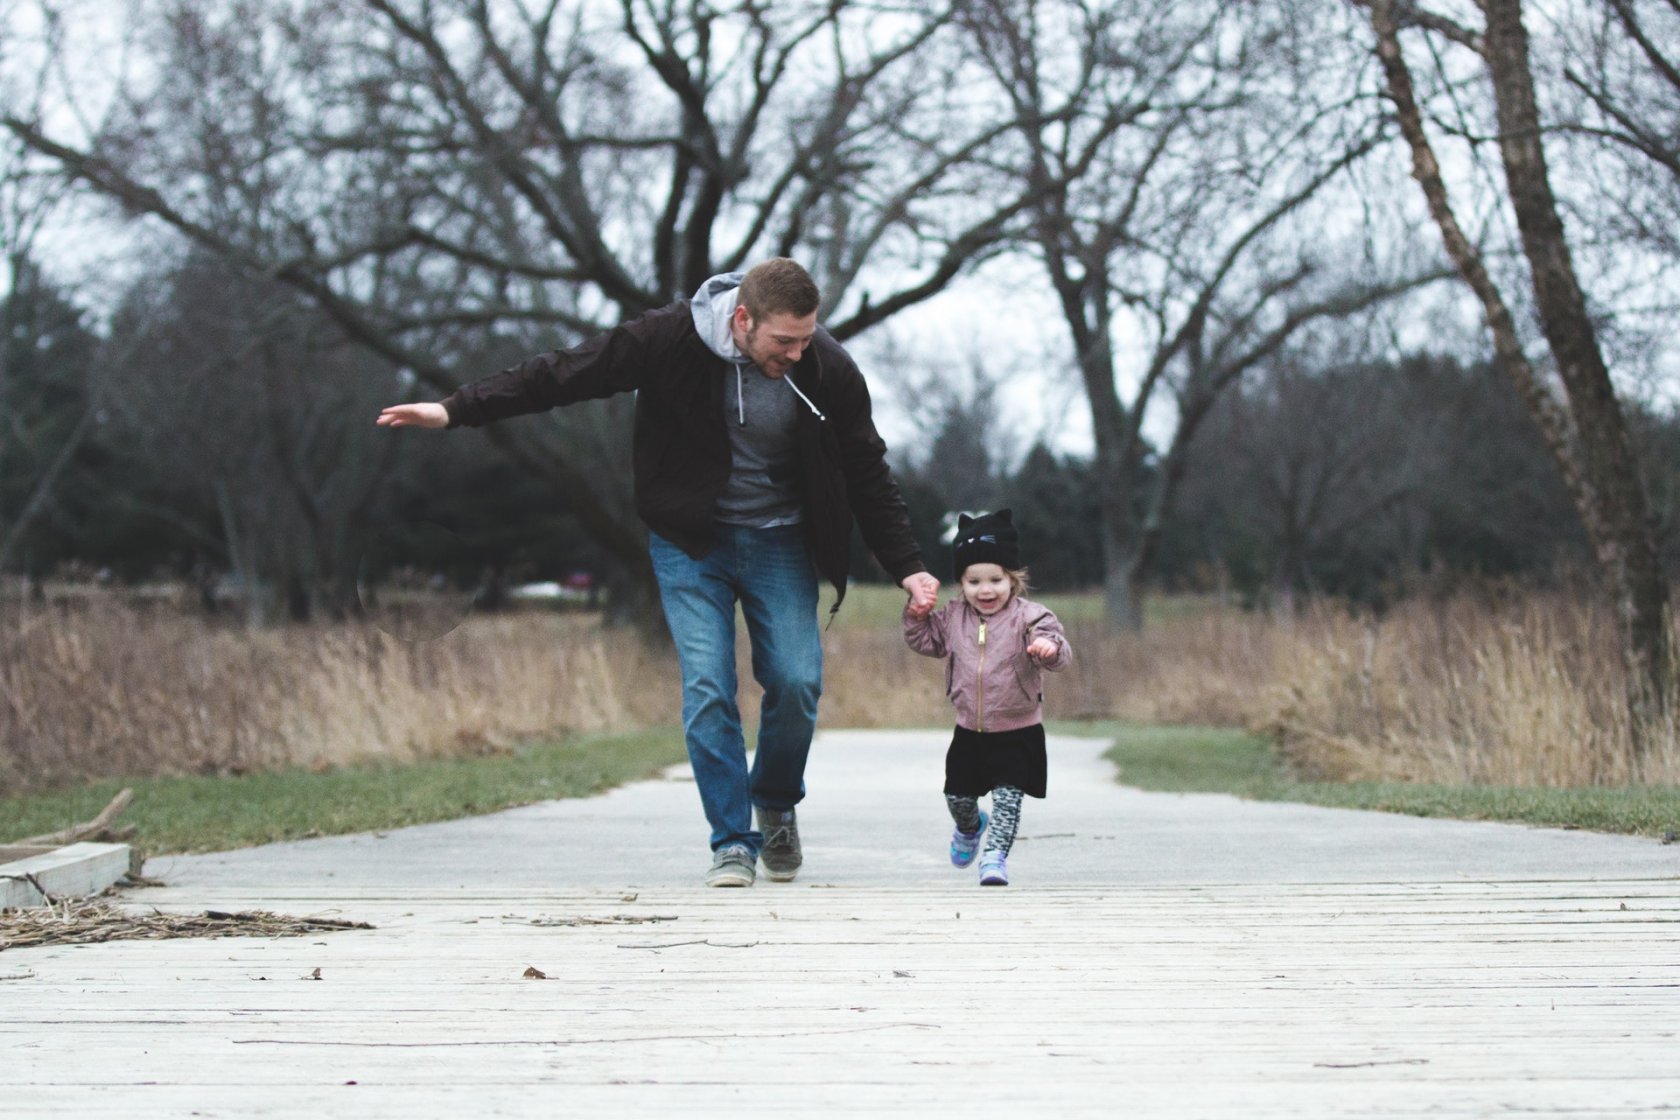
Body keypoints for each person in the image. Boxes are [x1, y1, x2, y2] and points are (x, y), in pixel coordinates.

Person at [377, 258, 940, 887]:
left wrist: (908, 568)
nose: (797, 352)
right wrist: (455, 410)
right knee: (707, 687)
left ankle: (776, 800)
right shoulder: (668, 338)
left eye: (807, 337)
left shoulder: (826, 367)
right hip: (689, 541)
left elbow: (868, 469)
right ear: (742, 318)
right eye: (785, 341)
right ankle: (732, 841)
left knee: (797, 682)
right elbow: (564, 373)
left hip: (779, 540)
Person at [903, 509, 1070, 886]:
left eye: (996, 579)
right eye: (974, 581)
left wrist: (1048, 647)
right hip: (969, 731)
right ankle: (971, 825)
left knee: (1009, 802)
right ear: (961, 584)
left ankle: (994, 859)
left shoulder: (1031, 618)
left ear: (1013, 579)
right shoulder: (952, 618)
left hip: (1018, 731)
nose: (986, 590)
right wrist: (916, 616)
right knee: (958, 798)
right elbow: (924, 641)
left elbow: (1060, 650)